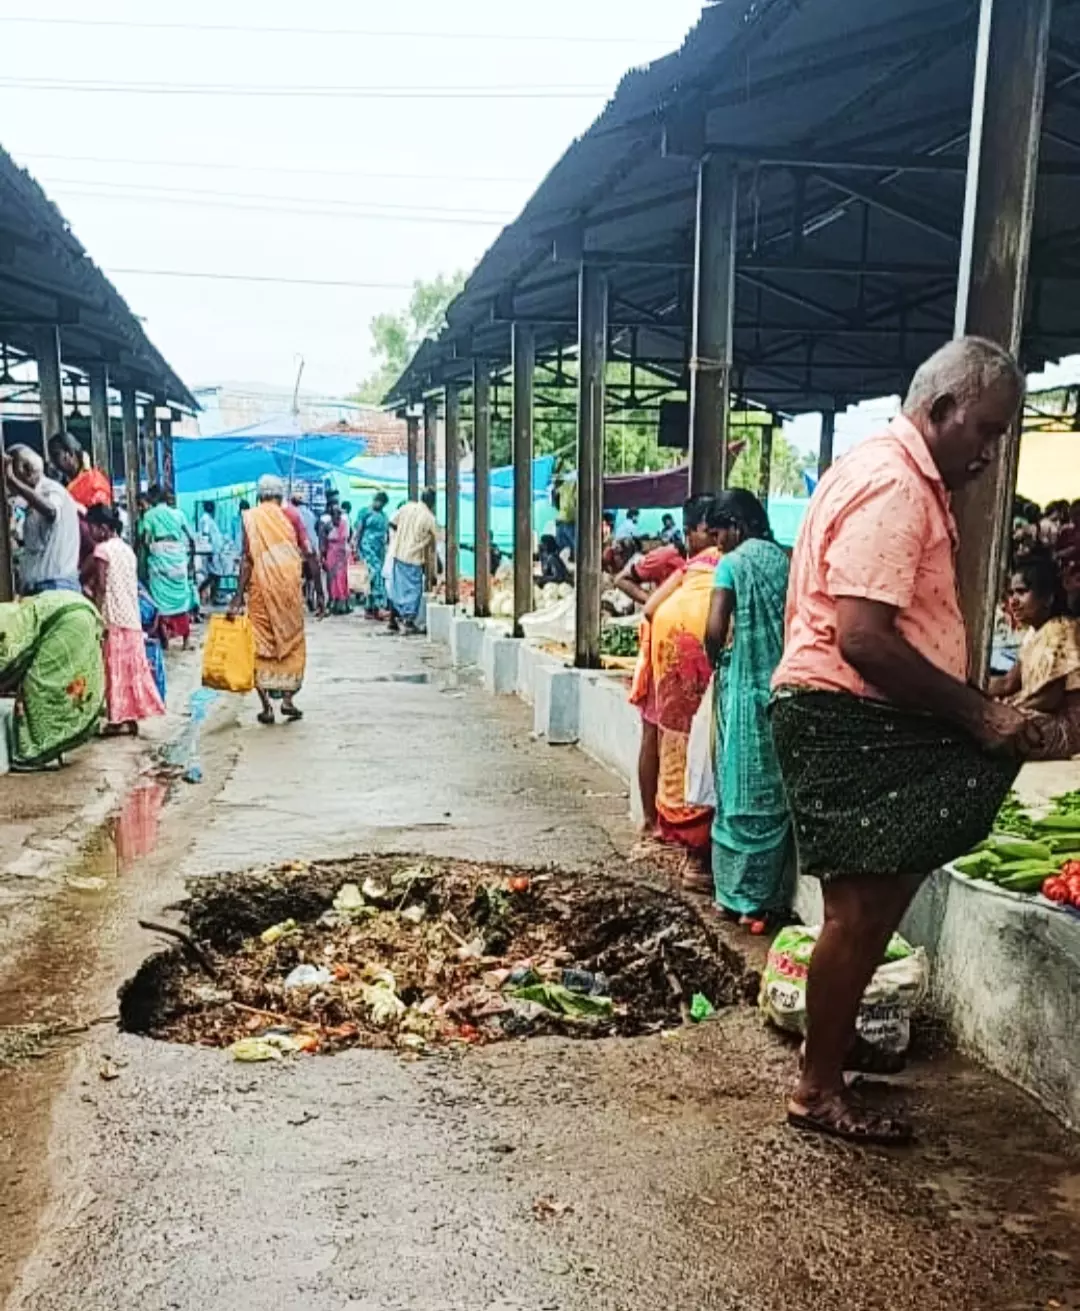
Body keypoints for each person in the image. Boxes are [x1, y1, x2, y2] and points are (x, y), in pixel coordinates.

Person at [770, 337, 1034, 1145]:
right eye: (985, 431)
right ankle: (818, 1088)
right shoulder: (894, 483)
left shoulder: (892, 472)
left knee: (872, 904)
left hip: (865, 717)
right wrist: (976, 714)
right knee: (859, 910)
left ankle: (830, 1050)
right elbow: (864, 638)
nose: (989, 453)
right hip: (851, 715)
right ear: (942, 409)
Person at [704, 490, 793, 928]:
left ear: (736, 526)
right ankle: (760, 899)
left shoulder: (732, 565)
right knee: (772, 789)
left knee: (738, 787)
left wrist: (717, 660)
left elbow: (714, 627)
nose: (717, 543)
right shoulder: (786, 559)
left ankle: (732, 898)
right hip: (784, 686)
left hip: (743, 687)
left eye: (718, 533)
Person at [635, 495, 720, 875]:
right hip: (694, 660)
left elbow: (651, 608)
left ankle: (660, 826)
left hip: (666, 659)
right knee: (701, 750)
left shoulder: (690, 569)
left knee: (671, 743)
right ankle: (694, 853)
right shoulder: (720, 565)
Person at [231, 474, 324, 725]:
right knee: (291, 642)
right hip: (288, 590)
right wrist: (319, 592)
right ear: (280, 495)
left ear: (259, 496)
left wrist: (237, 597)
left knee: (259, 645)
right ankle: (287, 700)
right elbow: (309, 553)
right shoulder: (292, 515)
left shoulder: (251, 518)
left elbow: (247, 559)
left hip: (260, 589)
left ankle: (266, 707)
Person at [624, 535, 690, 835]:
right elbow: (625, 582)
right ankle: (651, 819)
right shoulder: (673, 562)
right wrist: (662, 605)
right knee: (653, 731)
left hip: (685, 652)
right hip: (663, 650)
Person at [84, 504, 166, 736]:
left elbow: (101, 586)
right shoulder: (127, 550)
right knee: (130, 670)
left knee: (114, 670)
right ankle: (130, 717)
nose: (91, 533)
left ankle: (117, 719)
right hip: (131, 617)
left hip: (113, 617)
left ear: (102, 528)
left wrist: (96, 613)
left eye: (92, 528)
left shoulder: (102, 550)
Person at [0, 589, 104, 770]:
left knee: (39, 687)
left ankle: (37, 752)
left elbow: (7, 666)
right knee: (57, 686)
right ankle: (51, 747)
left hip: (69, 621)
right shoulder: (8, 614)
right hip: (75, 609)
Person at [990, 555, 1080, 759]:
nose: (1013, 601)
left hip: (1068, 725)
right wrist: (972, 691)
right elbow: (1007, 682)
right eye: (1011, 593)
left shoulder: (1061, 629)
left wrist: (1009, 709)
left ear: (1047, 598)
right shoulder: (1033, 635)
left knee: (1001, 728)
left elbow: (1050, 698)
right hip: (1045, 714)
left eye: (1021, 592)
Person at [5, 445, 81, 595]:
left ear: (27, 470)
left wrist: (14, 482)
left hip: (55, 588)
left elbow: (51, 510)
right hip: (40, 588)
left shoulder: (52, 490)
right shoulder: (29, 501)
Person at [138, 484, 198, 649]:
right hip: (178, 556)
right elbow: (191, 538)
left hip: (159, 557)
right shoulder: (179, 514)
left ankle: (165, 640)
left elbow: (145, 539)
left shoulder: (149, 515)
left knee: (159, 600)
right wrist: (190, 559)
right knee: (181, 599)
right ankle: (186, 640)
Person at [387, 489, 437, 635]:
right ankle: (408, 622)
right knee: (413, 591)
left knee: (397, 588)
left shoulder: (406, 507)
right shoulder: (429, 518)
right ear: (432, 502)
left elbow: (392, 522)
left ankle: (393, 620)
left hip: (398, 553)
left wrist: (401, 535)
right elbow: (435, 539)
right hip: (414, 557)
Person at [47, 431, 112, 510]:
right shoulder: (60, 481)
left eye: (56, 455)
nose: (52, 463)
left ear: (70, 454)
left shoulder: (95, 481)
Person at [353, 492, 391, 619]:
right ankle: (379, 606)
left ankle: (369, 608)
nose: (379, 504)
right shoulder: (365, 512)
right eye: (378, 501)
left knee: (371, 577)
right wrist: (355, 547)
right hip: (367, 547)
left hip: (379, 549)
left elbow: (387, 534)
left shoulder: (384, 516)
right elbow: (359, 530)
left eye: (382, 503)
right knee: (375, 573)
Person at [322, 503, 353, 615]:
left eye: (339, 513)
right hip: (332, 553)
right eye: (336, 513)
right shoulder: (327, 525)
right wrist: (322, 556)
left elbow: (349, 536)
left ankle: (344, 604)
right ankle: (333, 603)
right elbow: (323, 541)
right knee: (332, 578)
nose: (338, 515)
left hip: (342, 553)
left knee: (342, 578)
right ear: (332, 515)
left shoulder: (344, 523)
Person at [196, 501, 227, 609]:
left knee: (213, 575)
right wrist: (209, 552)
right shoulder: (206, 519)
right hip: (211, 551)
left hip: (213, 551)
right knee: (216, 575)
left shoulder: (207, 519)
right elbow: (206, 535)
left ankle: (210, 596)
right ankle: (209, 596)